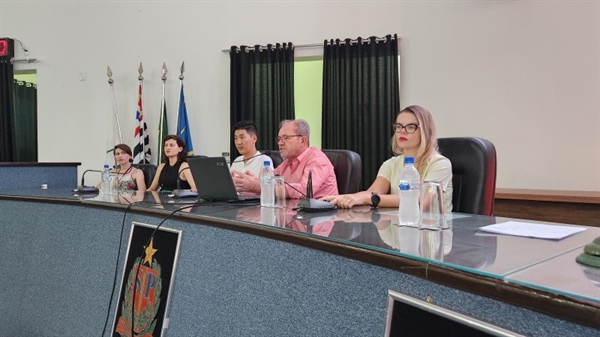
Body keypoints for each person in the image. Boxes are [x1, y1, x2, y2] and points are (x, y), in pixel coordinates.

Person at [323, 105, 453, 211]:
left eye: (411, 127)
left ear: (425, 131)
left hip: (433, 234)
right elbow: (372, 193)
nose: (403, 131)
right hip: (401, 227)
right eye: (398, 126)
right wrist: (340, 198)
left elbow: (422, 201)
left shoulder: (440, 163)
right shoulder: (390, 164)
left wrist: (370, 199)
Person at [232, 119, 338, 199]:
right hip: (294, 217)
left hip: (320, 220)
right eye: (279, 139)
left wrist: (259, 186)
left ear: (302, 140)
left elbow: (304, 191)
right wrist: (251, 182)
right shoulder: (287, 163)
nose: (280, 143)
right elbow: (268, 181)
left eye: (285, 138)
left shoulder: (317, 159)